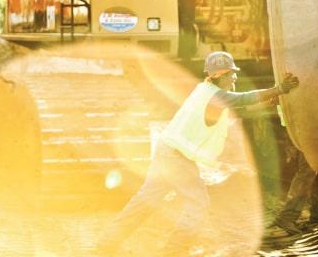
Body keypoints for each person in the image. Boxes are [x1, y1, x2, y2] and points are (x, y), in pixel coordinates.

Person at [97, 51, 299, 256]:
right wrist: (279, 89)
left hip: (167, 152)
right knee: (198, 205)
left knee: (145, 202)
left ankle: (106, 244)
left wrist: (265, 102)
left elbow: (238, 108)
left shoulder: (205, 91)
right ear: (219, 75)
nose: (235, 77)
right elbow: (242, 100)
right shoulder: (214, 94)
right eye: (231, 73)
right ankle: (172, 251)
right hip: (177, 157)